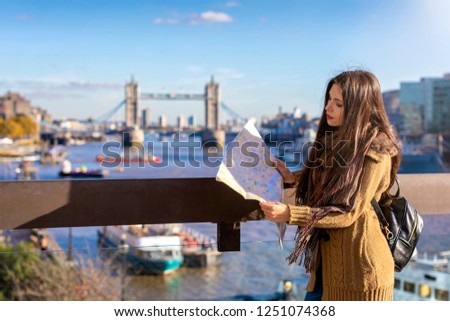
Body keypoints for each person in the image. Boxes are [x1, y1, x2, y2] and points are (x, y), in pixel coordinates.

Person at [260, 70, 401, 301]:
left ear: (359, 108)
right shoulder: (336, 142)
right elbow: (329, 179)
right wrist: (292, 178)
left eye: (339, 103)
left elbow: (348, 212)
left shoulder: (376, 152)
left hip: (360, 276)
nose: (328, 108)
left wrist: (289, 213)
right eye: (329, 100)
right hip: (326, 270)